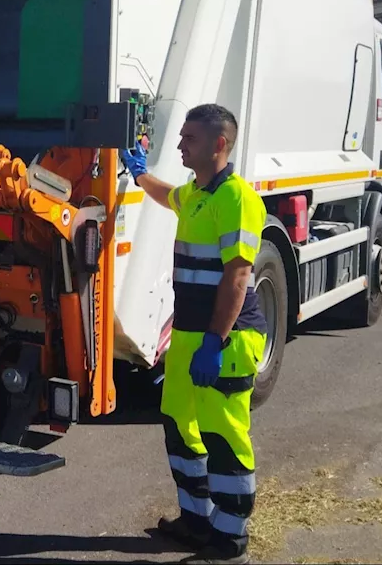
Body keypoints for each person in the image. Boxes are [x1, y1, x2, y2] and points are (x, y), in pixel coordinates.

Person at [121, 103, 268, 565]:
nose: (181, 145)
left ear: (219, 144)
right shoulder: (197, 193)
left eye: (190, 139)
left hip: (225, 338)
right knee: (180, 426)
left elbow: (238, 276)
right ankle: (196, 519)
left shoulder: (237, 198)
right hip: (188, 334)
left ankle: (230, 537)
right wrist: (139, 174)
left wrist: (214, 341)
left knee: (223, 433)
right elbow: (169, 197)